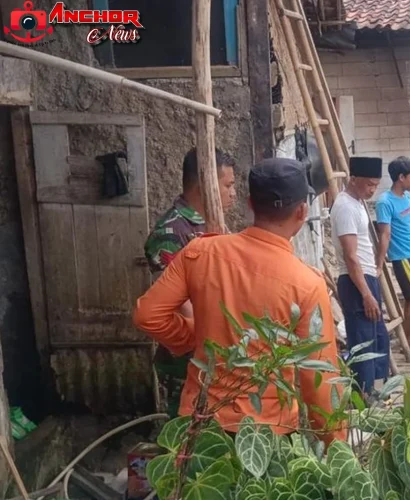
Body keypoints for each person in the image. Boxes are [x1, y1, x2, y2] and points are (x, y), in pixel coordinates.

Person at [134, 158, 345, 442]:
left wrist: (197, 337)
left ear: (249, 203)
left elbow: (148, 315)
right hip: (267, 432)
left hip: (200, 420)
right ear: (302, 211)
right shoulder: (307, 283)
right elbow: (319, 381)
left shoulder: (200, 252)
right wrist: (334, 447)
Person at [143, 147, 237, 418]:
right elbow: (183, 306)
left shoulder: (212, 226)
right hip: (189, 356)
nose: (234, 193)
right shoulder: (172, 232)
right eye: (228, 185)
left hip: (215, 352)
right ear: (205, 184)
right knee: (186, 431)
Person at [331, 157, 390, 395]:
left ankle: (375, 391)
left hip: (367, 278)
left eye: (376, 185)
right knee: (363, 344)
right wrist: (366, 293)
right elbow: (350, 256)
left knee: (378, 339)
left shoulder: (357, 203)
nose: (372, 190)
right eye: (369, 185)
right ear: (353, 180)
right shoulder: (344, 206)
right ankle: (363, 398)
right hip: (356, 283)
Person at [375, 157, 410, 356]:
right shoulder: (384, 202)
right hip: (404, 258)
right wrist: (380, 262)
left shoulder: (406, 197)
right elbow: (385, 234)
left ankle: (406, 340)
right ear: (401, 178)